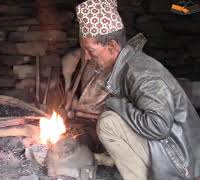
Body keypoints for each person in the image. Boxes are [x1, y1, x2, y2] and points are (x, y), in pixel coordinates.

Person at [75, 0, 200, 179]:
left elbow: (158, 126)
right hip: (175, 149)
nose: (86, 57)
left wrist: (114, 103)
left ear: (111, 46)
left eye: (90, 50)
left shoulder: (141, 73)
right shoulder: (127, 65)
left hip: (182, 161)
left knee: (108, 123)